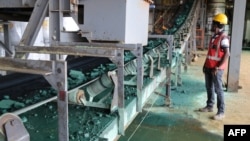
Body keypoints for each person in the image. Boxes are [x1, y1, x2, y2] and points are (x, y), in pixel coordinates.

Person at [198, 13, 230, 120]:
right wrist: (205, 64)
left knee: (218, 89)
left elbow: (227, 54)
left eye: (213, 23)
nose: (211, 25)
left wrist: (218, 67)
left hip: (217, 69)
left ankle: (221, 112)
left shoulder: (223, 38)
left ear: (217, 24)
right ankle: (209, 106)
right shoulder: (214, 37)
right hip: (209, 67)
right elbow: (211, 53)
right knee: (209, 87)